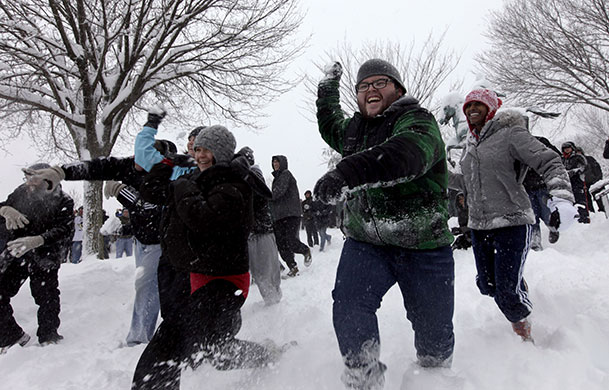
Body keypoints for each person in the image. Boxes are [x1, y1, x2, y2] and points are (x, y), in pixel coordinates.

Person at [315, 59, 456, 389]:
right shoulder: (353, 132)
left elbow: (406, 154)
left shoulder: (417, 120)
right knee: (350, 304)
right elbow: (328, 122)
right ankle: (363, 377)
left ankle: (435, 376)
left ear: (398, 89)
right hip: (367, 244)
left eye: (380, 83)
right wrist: (328, 86)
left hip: (423, 245)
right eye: (364, 86)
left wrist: (347, 173)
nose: (371, 90)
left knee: (434, 337)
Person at [132, 125, 283, 390]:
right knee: (217, 352)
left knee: (170, 341)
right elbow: (152, 192)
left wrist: (181, 188)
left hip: (225, 283)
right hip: (196, 277)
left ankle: (152, 384)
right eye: (198, 149)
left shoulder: (234, 185)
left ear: (221, 152)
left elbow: (203, 219)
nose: (200, 155)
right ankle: (268, 355)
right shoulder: (196, 180)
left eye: (207, 150)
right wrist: (165, 164)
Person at [449, 88, 577, 343]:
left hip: (512, 221)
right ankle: (516, 285)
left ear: (490, 108)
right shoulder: (469, 145)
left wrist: (561, 196)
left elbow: (549, 161)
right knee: (486, 286)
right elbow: (467, 182)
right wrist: (435, 171)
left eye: (478, 105)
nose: (472, 109)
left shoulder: (511, 134)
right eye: (468, 106)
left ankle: (524, 329)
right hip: (479, 225)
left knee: (505, 293)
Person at [27, 139, 178, 346]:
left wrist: (122, 192)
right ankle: (149, 333)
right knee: (147, 287)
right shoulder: (129, 165)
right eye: (137, 155)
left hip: (161, 242)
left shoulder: (169, 175)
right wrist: (62, 172)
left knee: (146, 286)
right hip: (141, 240)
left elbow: (149, 205)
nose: (138, 161)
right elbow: (97, 167)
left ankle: (140, 339)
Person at [0, 163, 74, 353]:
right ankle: (11, 336)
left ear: (47, 179)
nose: (29, 182)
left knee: (46, 295)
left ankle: (49, 335)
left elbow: (64, 230)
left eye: (34, 178)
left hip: (45, 255)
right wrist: (6, 210)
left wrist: (39, 240)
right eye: (27, 178)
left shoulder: (63, 200)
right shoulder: (21, 192)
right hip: (19, 252)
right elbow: (4, 205)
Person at [238, 147, 282, 305]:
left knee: (266, 272)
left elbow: (258, 198)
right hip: (253, 231)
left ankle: (274, 305)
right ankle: (273, 302)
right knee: (261, 271)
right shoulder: (247, 176)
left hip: (261, 230)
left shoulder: (254, 175)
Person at [270, 155, 312, 277]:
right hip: (279, 216)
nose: (275, 164)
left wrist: (265, 196)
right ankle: (292, 267)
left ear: (282, 163)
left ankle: (305, 250)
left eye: (277, 161)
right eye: (273, 162)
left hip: (291, 214)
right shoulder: (275, 179)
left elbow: (278, 192)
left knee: (290, 240)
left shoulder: (286, 174)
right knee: (281, 243)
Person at [522, 136, 561, 248]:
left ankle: (553, 227)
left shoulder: (540, 141)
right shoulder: (514, 144)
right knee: (532, 215)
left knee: (546, 211)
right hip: (526, 187)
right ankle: (535, 241)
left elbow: (555, 156)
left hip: (542, 184)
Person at [561, 141, 590, 223]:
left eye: (568, 148)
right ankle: (573, 217)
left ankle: (584, 216)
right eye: (565, 149)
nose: (567, 150)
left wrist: (575, 171)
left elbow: (584, 166)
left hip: (577, 180)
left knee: (580, 198)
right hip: (567, 181)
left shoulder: (578, 157)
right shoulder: (562, 158)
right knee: (569, 200)